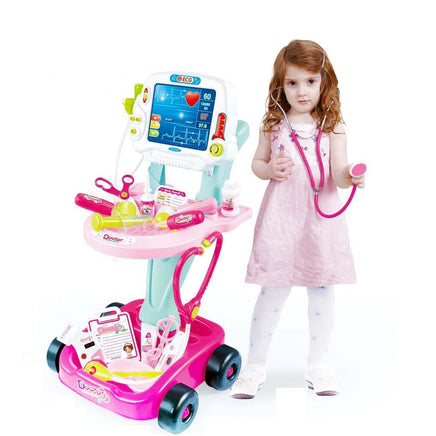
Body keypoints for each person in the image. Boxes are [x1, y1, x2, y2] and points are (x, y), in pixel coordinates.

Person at [230, 40, 365, 399]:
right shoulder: (274, 124)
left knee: (322, 289)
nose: (301, 91)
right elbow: (257, 164)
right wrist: (269, 169)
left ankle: (318, 365)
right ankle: (255, 366)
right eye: (292, 83)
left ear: (324, 82)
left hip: (319, 223)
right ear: (280, 85)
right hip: (282, 220)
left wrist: (350, 175)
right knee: (272, 289)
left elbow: (338, 173)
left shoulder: (333, 127)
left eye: (310, 81)